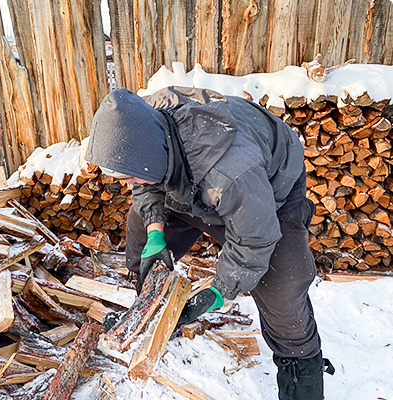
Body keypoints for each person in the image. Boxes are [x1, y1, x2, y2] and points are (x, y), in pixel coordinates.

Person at [85, 86, 334, 400]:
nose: (128, 184)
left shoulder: (230, 171)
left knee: (282, 288)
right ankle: (151, 315)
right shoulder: (142, 124)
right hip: (191, 183)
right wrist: (155, 235)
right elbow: (145, 181)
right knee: (140, 226)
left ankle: (301, 374)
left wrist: (219, 291)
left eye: (130, 177)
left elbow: (256, 237)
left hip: (268, 195)